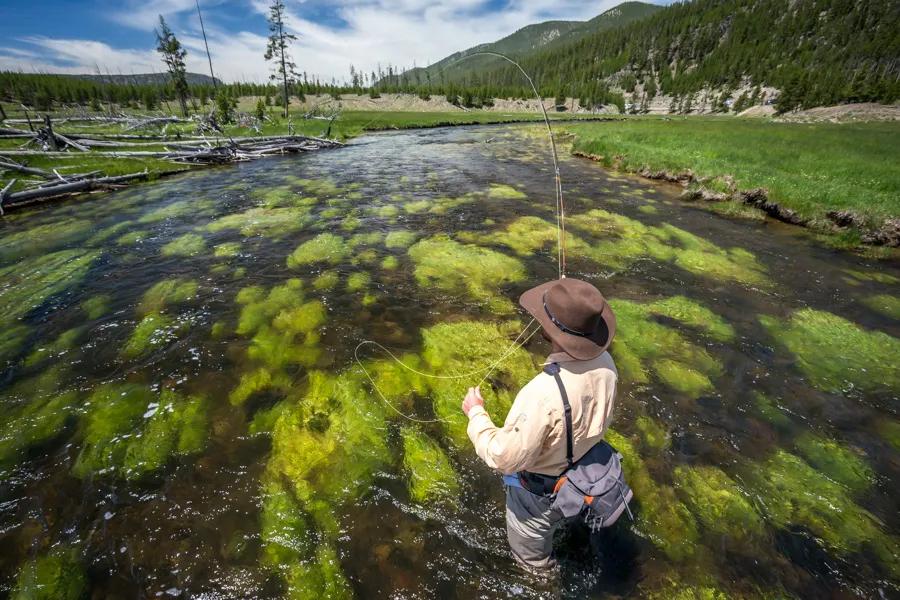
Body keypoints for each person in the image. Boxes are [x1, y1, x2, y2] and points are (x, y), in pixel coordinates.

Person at [461, 277, 618, 573]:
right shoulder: (607, 363)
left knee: (533, 563)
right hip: (585, 476)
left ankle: (543, 581)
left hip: (540, 494)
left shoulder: (543, 393)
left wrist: (476, 414)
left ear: (551, 328)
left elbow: (503, 457)